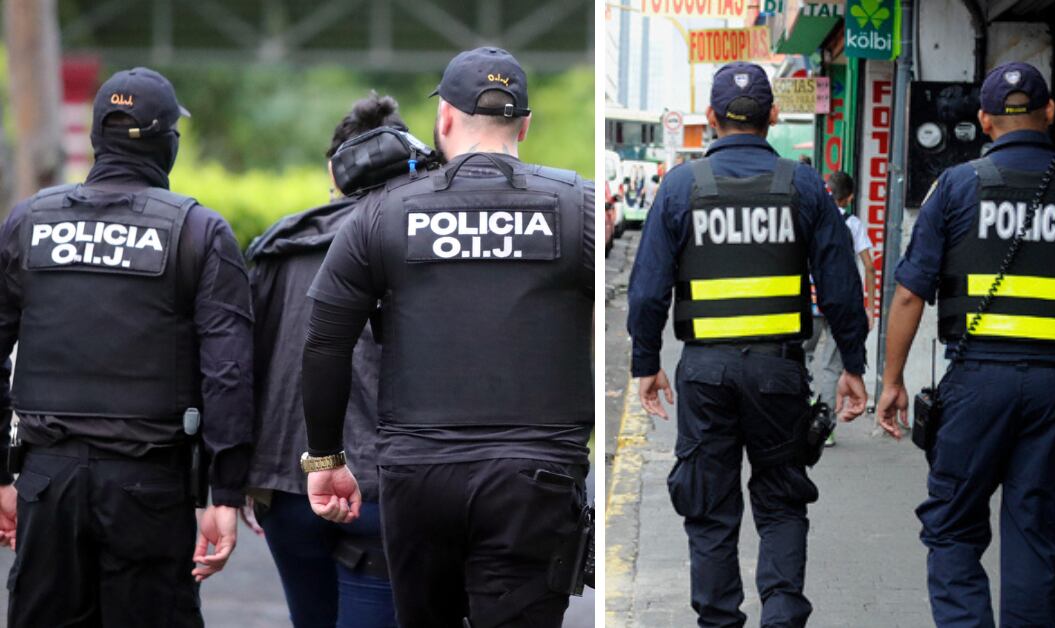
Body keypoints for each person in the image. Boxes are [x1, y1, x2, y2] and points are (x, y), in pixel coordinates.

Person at [299, 47, 594, 628]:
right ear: (525, 125)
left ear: (444, 120)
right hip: (536, 477)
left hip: (418, 475)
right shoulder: (576, 206)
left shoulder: (381, 214)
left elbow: (325, 340)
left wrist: (327, 458)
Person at [876, 63, 1055, 627]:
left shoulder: (954, 186)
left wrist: (892, 381)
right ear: (1049, 114)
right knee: (1039, 535)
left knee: (951, 526)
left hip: (974, 385)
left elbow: (907, 297)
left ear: (984, 121)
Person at [0, 67, 253, 626]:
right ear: (169, 144)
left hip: (47, 482)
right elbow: (228, 372)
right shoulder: (199, 233)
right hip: (150, 489)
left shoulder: (27, 223)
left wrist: (1, 477)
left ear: (94, 139)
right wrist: (227, 493)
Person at [627, 61, 869, 627]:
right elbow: (841, 287)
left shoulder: (681, 186)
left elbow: (646, 292)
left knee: (709, 510)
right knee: (782, 501)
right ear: (774, 116)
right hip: (778, 372)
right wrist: (853, 365)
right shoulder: (804, 184)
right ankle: (781, 617)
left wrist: (646, 364)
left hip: (705, 373)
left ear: (710, 119)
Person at [245, 92, 419, 628]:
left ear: (335, 171)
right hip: (379, 487)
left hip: (286, 485)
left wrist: (237, 479)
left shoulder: (280, 244)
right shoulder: (418, 242)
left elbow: (241, 365)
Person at [804, 171, 876, 446]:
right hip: (842, 304)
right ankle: (825, 426)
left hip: (809, 302)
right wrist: (868, 307)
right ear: (849, 198)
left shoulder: (812, 219)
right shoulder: (852, 223)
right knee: (832, 365)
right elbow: (868, 266)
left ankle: (803, 407)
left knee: (803, 357)